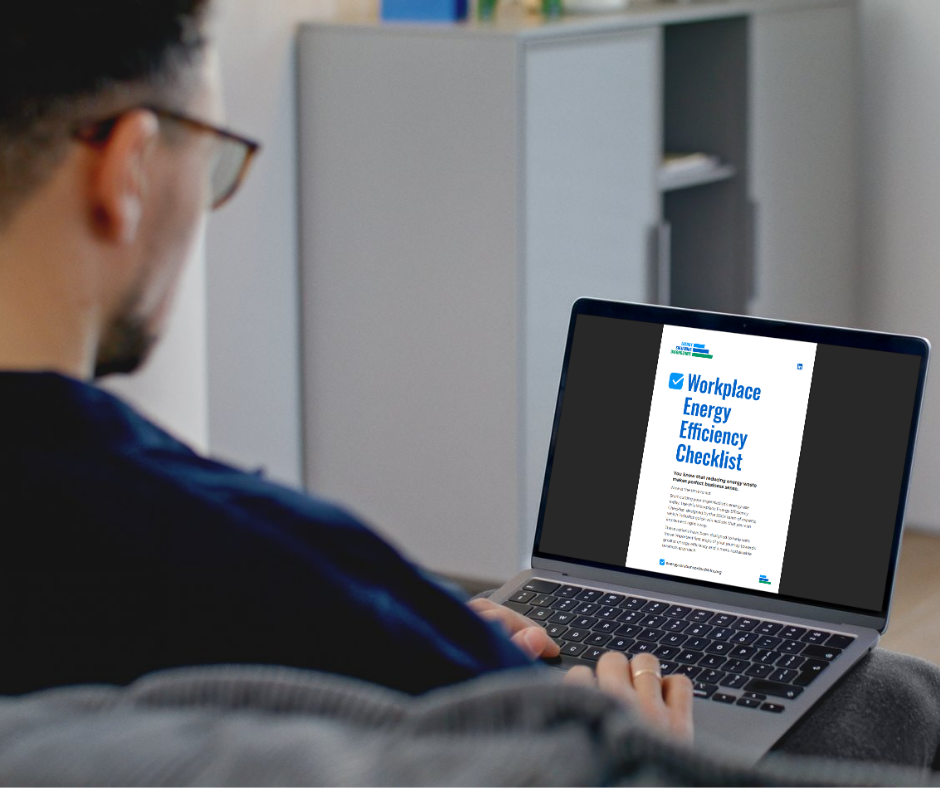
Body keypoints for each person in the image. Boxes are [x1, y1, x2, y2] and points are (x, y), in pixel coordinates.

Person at [2, 0, 940, 770]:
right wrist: (637, 761)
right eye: (208, 162)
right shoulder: (250, 563)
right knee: (893, 701)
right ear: (127, 168)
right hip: (575, 723)